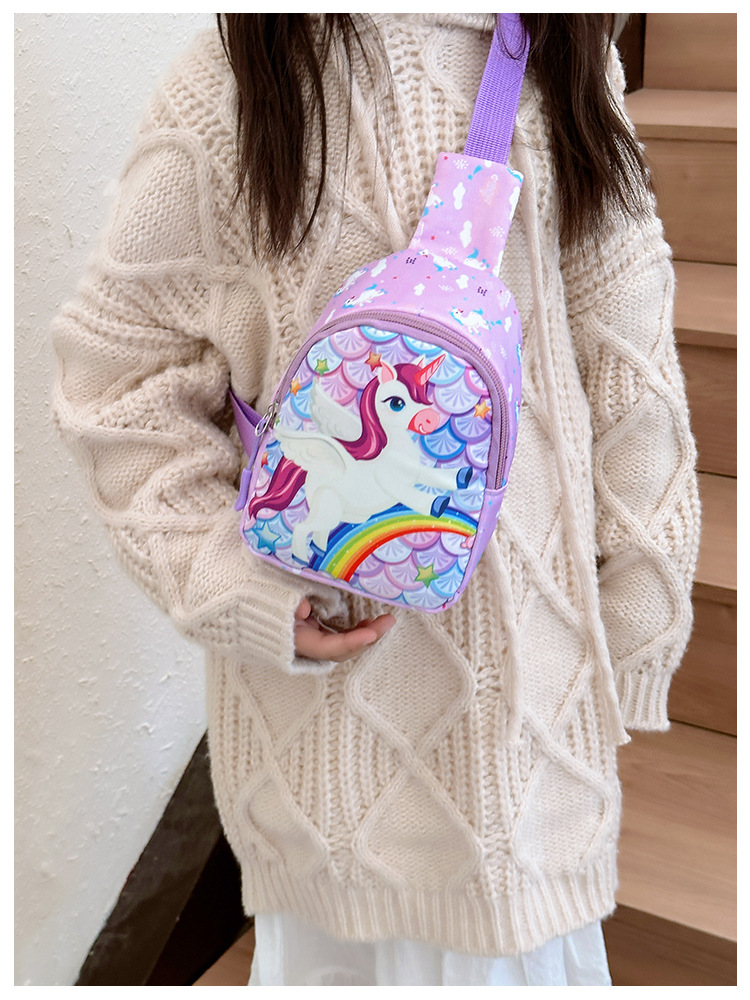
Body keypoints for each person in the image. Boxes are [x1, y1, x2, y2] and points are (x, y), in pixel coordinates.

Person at [52, 13, 700, 987]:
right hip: (322, 765)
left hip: (529, 753)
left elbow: (630, 373)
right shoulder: (241, 78)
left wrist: (638, 625)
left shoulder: (567, 51)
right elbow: (118, 378)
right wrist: (236, 589)